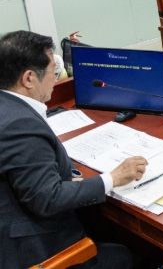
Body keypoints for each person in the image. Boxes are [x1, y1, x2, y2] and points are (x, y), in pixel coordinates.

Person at [0, 31, 148, 268]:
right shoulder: (21, 125)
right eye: (53, 71)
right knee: (128, 254)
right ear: (29, 78)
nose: (55, 78)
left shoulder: (7, 106)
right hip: (35, 250)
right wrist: (113, 178)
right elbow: (48, 199)